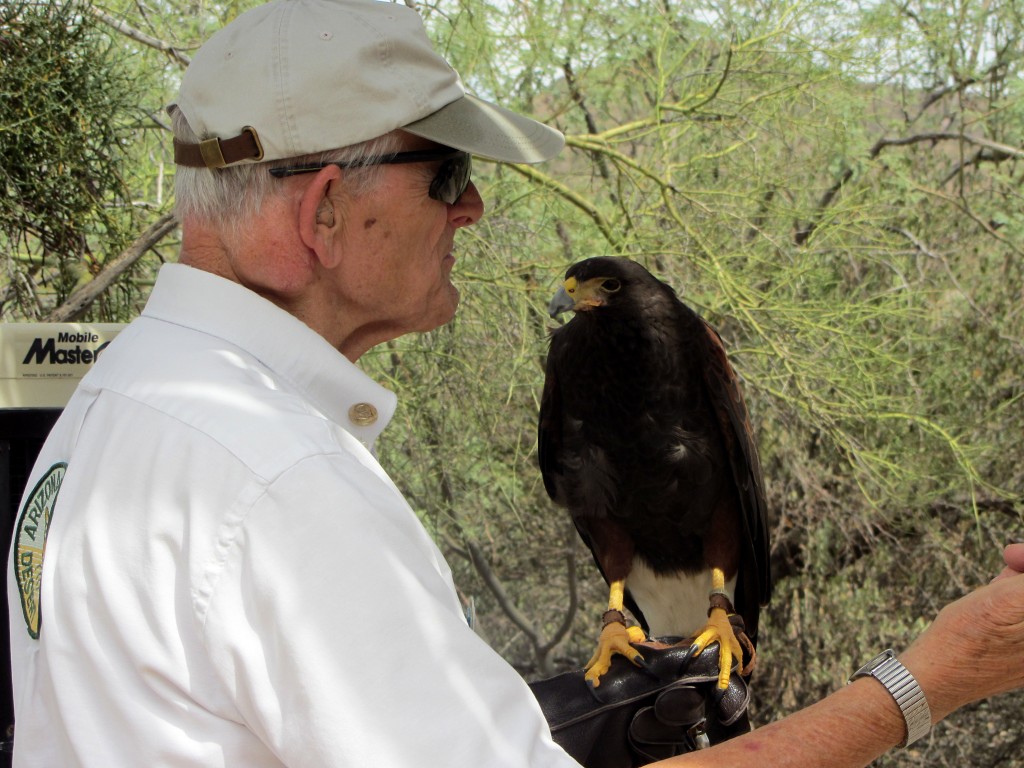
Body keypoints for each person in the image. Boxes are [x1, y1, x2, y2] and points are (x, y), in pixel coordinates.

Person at [5, 0, 1024, 765]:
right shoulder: (276, 486)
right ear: (320, 214)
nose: (474, 207)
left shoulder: (115, 405)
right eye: (445, 173)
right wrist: (931, 677)